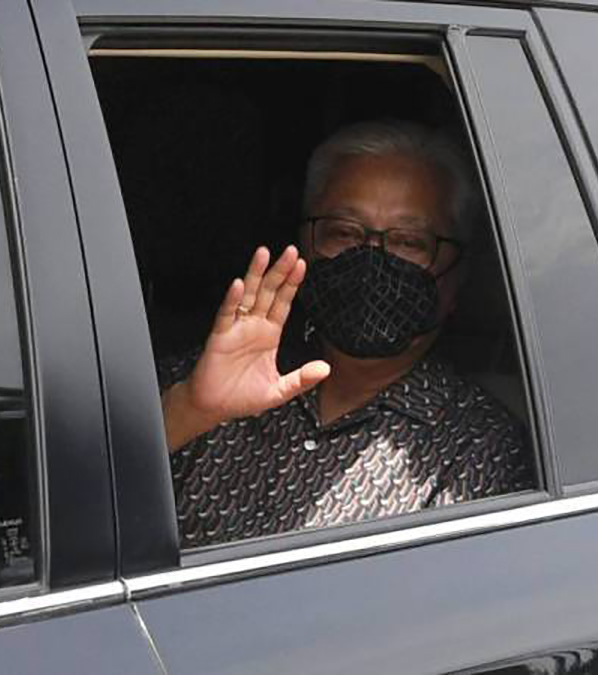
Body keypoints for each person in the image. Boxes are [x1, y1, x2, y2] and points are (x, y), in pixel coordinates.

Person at [159, 119, 534, 548]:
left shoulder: (478, 447)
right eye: (343, 232)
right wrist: (188, 412)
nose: (371, 259)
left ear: (458, 274)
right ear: (305, 242)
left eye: (409, 241)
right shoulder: (206, 380)